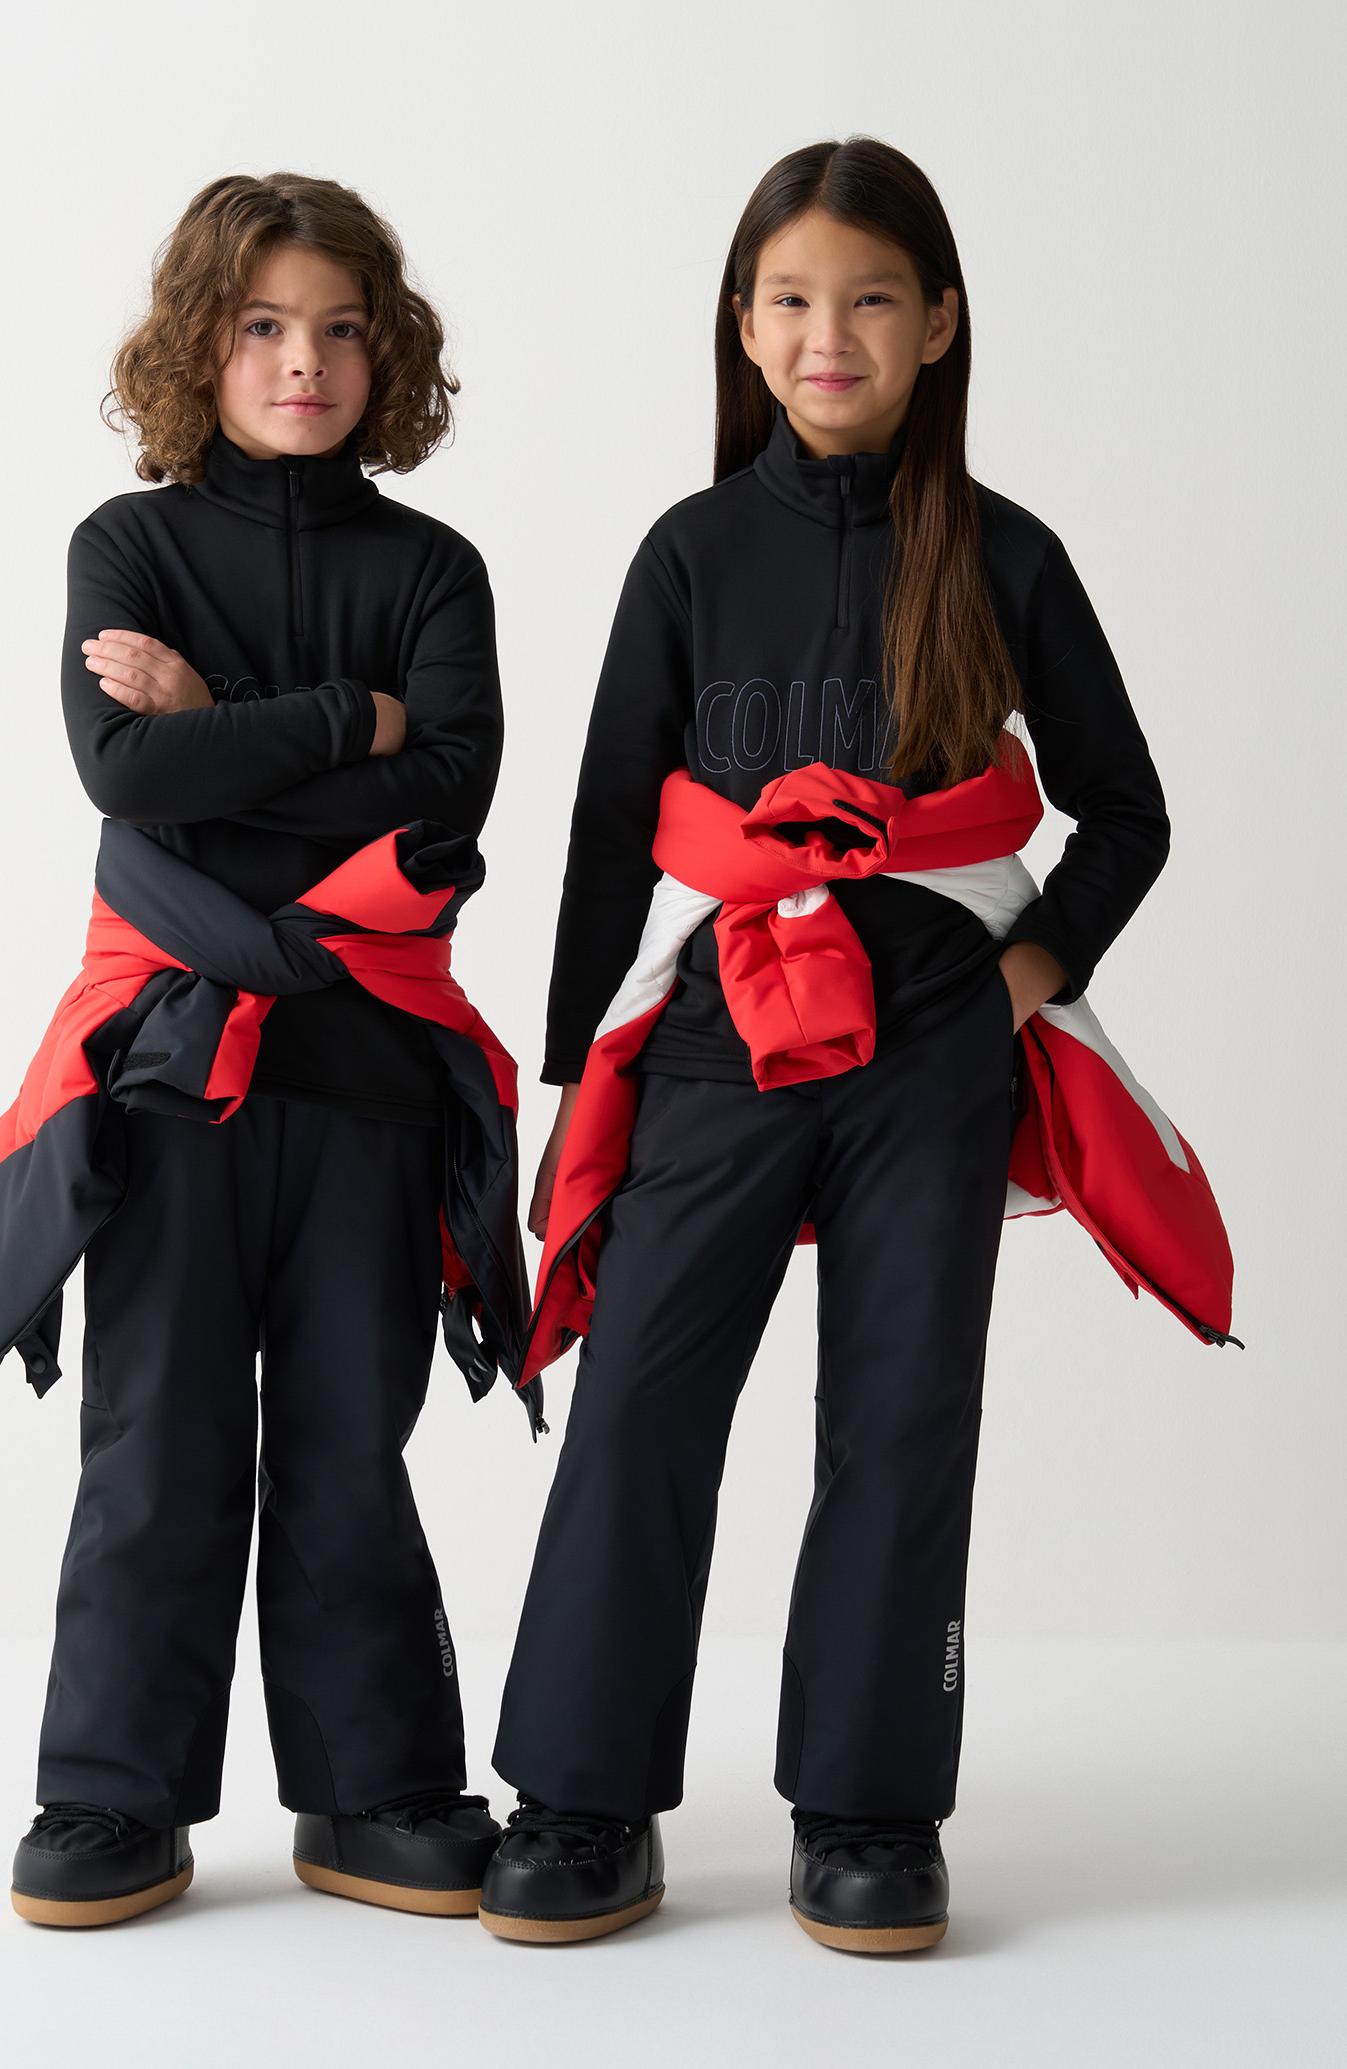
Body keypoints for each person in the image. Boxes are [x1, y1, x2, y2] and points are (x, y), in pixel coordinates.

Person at [478, 137, 1196, 1951]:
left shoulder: (1007, 553)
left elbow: (1125, 810)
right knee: (642, 1401)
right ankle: (580, 1798)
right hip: (715, 1042)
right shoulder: (690, 550)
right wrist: (575, 1086)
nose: (831, 334)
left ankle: (870, 1809)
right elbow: (609, 830)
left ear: (939, 322)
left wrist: (1028, 971)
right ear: (743, 324)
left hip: (930, 1061)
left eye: (872, 298)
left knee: (901, 1415)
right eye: (792, 299)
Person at [0, 172, 525, 1927]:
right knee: (157, 1438)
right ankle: (112, 1796)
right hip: (172, 1075)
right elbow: (127, 782)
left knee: (353, 1438)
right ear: (201, 343)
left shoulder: (434, 569)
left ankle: (375, 1789)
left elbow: (447, 811)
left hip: (367, 1075)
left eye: (341, 328)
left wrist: (223, 729)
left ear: (386, 351)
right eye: (264, 325)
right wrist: (352, 718)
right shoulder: (125, 547)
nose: (303, 361)